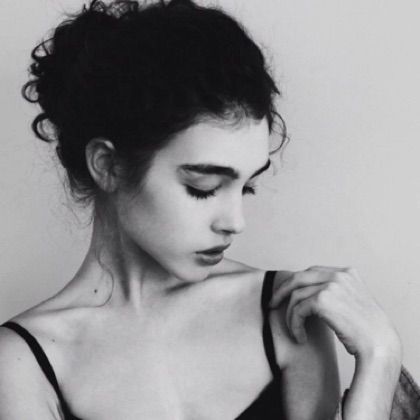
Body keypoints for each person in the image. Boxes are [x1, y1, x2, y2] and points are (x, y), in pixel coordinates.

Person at [0, 0, 418, 419]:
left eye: (246, 187)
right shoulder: (22, 362)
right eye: (204, 188)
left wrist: (381, 358)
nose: (235, 222)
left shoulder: (286, 311)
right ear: (108, 165)